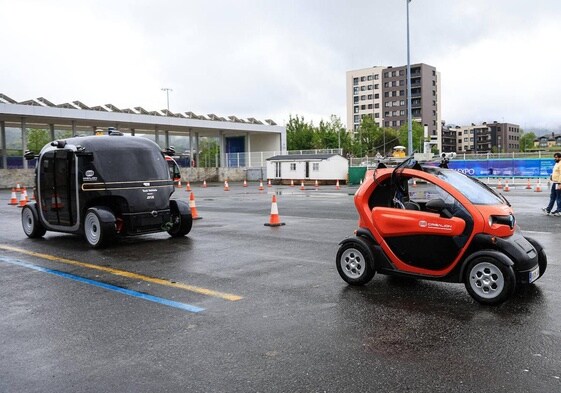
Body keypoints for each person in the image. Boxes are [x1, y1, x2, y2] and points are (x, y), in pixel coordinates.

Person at [542, 152, 561, 216]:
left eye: (556, 157)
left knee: (558, 197)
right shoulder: (557, 164)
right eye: (554, 157)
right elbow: (556, 172)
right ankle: (548, 209)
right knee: (552, 196)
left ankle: (559, 210)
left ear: (560, 158)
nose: (555, 158)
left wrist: (560, 184)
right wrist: (551, 176)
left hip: (558, 183)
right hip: (555, 182)